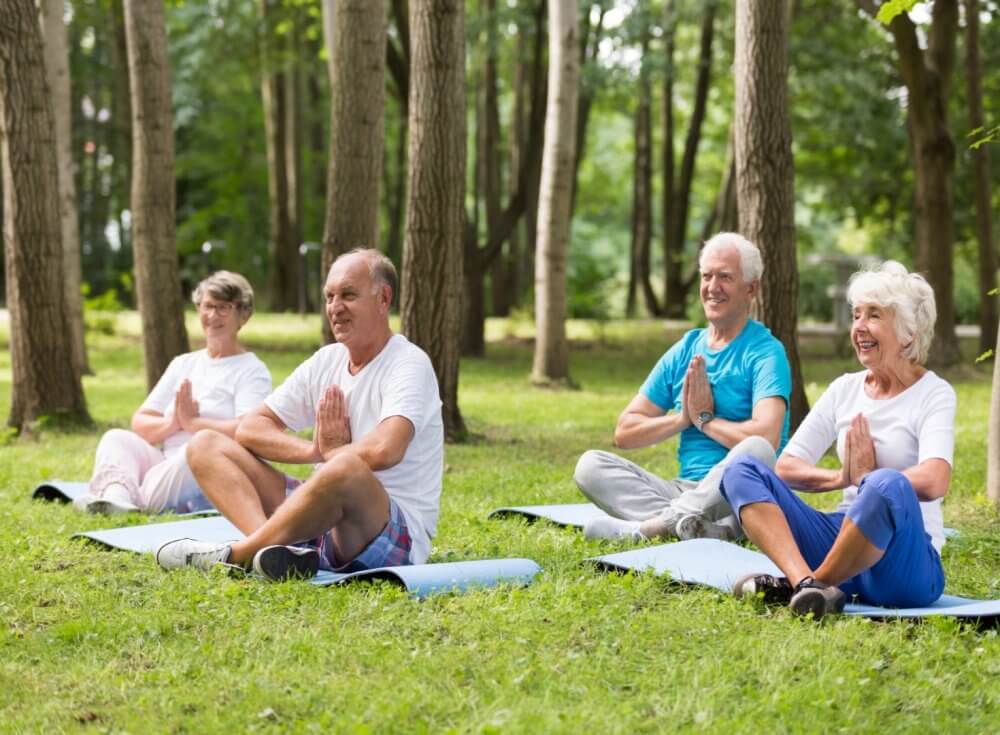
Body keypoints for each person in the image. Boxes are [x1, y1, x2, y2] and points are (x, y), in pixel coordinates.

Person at [155, 248, 444, 582]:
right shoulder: (327, 360)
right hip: (322, 516)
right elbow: (251, 428)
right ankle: (272, 554)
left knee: (346, 467)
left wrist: (335, 456)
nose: (335, 308)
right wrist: (314, 452)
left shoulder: (409, 363)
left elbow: (386, 449)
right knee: (205, 444)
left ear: (384, 298)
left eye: (348, 295)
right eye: (329, 297)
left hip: (389, 532)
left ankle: (239, 555)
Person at [724, 261, 955, 620]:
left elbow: (936, 479)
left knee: (886, 482)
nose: (859, 327)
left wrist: (868, 479)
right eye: (856, 315)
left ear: (909, 332)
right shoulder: (844, 389)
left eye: (874, 315)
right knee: (741, 468)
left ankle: (810, 585)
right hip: (842, 539)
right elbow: (786, 467)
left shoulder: (934, 393)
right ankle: (806, 585)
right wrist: (843, 479)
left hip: (904, 565)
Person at [574, 232, 792, 542]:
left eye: (725, 277)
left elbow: (767, 439)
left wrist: (706, 421)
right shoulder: (686, 348)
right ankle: (700, 529)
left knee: (755, 451)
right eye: (707, 276)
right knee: (590, 465)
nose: (712, 287)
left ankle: (655, 528)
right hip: (684, 490)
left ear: (751, 289)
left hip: (741, 495)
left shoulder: (766, 352)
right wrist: (682, 419)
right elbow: (625, 431)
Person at [75, 271, 271, 514]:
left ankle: (122, 496)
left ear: (243, 315)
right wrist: (173, 422)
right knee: (115, 438)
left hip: (206, 467)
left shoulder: (252, 370)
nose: (213, 315)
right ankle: (117, 499)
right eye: (208, 306)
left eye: (224, 307)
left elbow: (249, 431)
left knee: (197, 448)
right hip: (165, 463)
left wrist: (194, 423)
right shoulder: (183, 363)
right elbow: (141, 420)